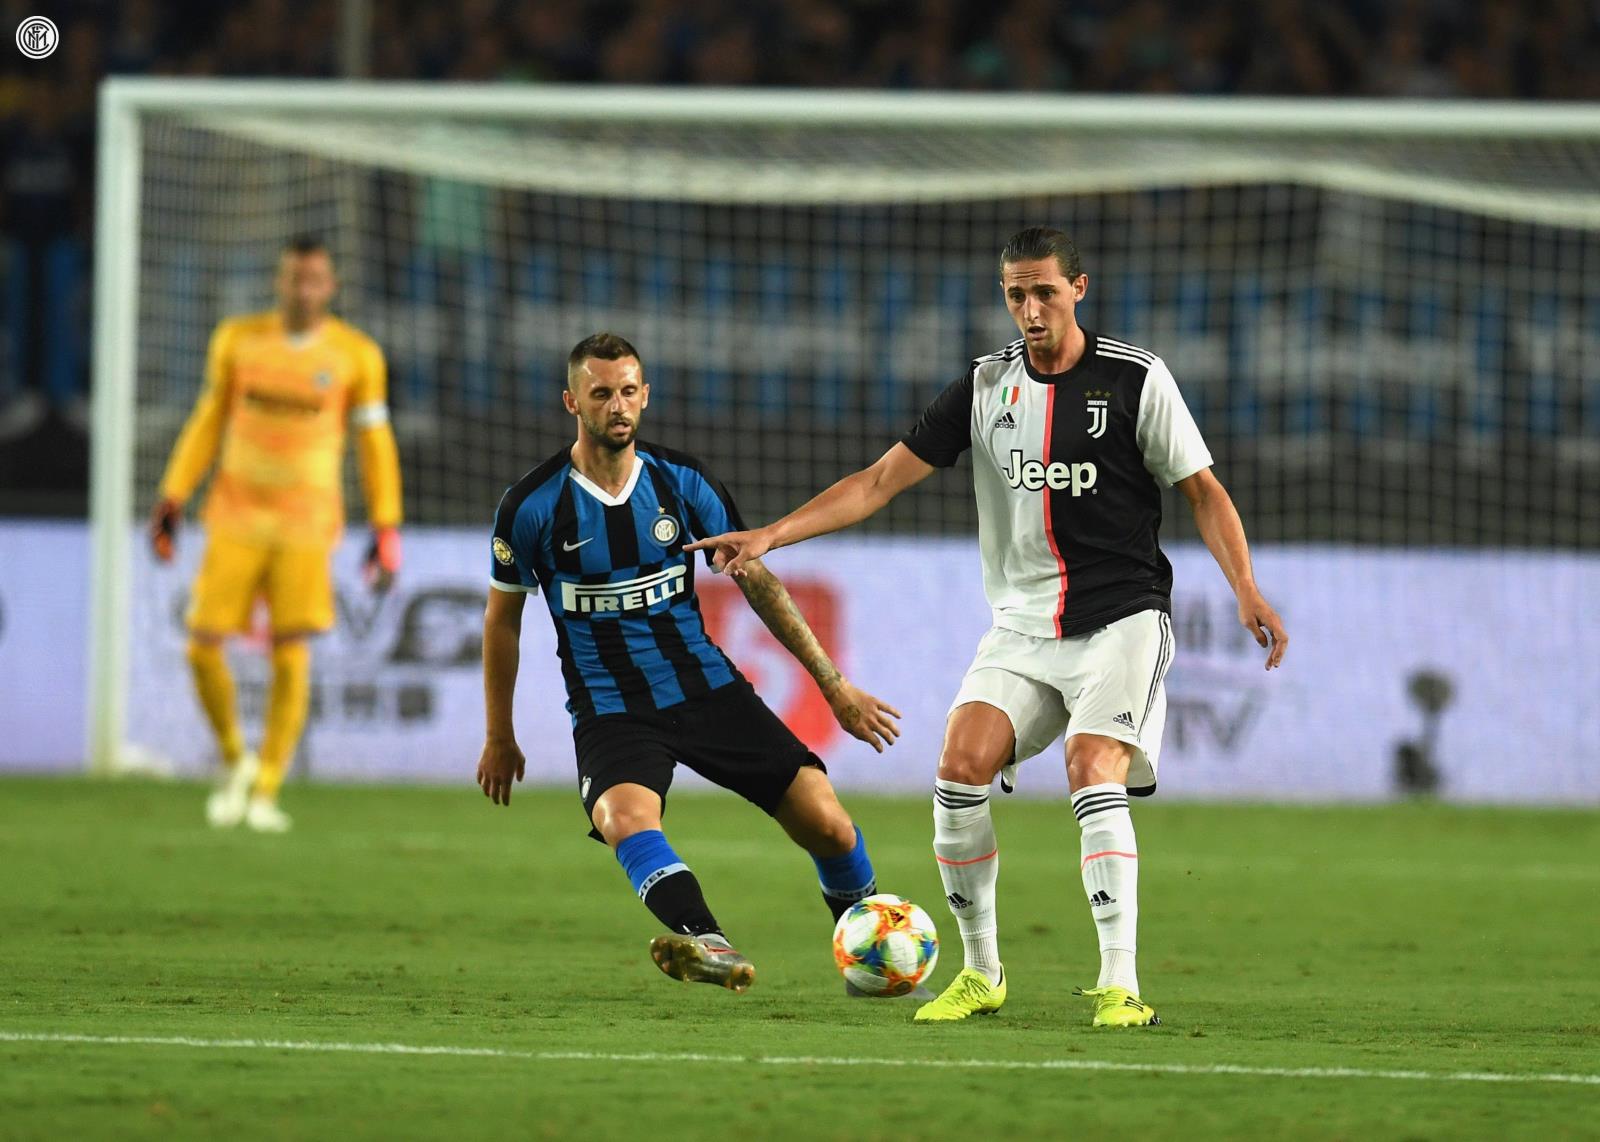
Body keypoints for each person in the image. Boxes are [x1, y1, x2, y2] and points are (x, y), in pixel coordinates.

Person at [688, 227, 1289, 1027]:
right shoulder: (982, 387)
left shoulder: (1136, 379)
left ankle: (1119, 984)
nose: (1030, 309)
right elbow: (877, 481)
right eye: (1015, 294)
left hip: (1122, 621)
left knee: (1090, 764)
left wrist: (1243, 586)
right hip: (1022, 627)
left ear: (1079, 287)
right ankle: (981, 974)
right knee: (959, 767)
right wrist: (768, 536)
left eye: (1044, 291)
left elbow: (1203, 491)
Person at [475, 332, 902, 995]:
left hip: (706, 688)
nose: (617, 406)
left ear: (644, 396)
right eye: (600, 394)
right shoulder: (531, 506)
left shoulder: (683, 483)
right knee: (622, 818)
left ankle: (873, 962)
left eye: (627, 392)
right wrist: (500, 735)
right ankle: (710, 943)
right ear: (571, 402)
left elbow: (757, 583)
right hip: (610, 707)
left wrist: (834, 686)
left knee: (828, 821)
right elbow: (502, 623)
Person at [149, 236, 403, 833]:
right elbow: (208, 421)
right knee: (202, 642)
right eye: (293, 278)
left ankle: (266, 787)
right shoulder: (238, 341)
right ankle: (235, 759)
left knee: (291, 651)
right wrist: (172, 496)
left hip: (306, 525)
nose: (302, 289)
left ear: (331, 286)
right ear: (278, 281)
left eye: (314, 279)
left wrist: (386, 525)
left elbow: (375, 447)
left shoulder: (356, 356)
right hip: (234, 515)